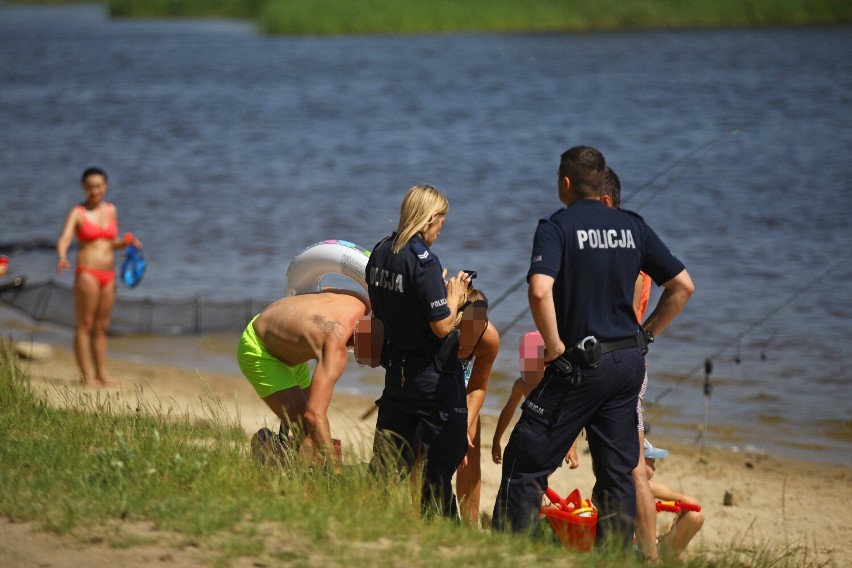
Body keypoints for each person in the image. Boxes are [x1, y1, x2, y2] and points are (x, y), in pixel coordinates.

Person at [492, 146, 694, 550]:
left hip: (580, 363)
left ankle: (510, 549)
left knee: (524, 457)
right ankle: (613, 557)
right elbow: (682, 286)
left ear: (565, 183)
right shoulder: (633, 226)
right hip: (627, 365)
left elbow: (539, 290)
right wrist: (646, 335)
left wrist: (553, 347)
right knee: (617, 472)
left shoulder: (557, 226)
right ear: (602, 184)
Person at [366, 183, 471, 518]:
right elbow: (442, 327)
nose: (441, 229)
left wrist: (430, 292)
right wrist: (453, 298)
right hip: (431, 378)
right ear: (429, 219)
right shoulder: (424, 262)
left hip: (397, 373)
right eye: (441, 221)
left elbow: (387, 306)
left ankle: (365, 516)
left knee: (387, 461)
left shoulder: (381, 250)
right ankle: (438, 526)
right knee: (444, 460)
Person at [237, 288, 370, 465]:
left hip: (288, 347)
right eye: (359, 355)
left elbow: (318, 289)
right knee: (305, 427)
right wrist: (335, 473)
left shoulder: (362, 302)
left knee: (310, 431)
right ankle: (266, 448)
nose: (351, 351)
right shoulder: (335, 346)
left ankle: (284, 454)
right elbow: (314, 415)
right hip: (260, 349)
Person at [602, 165, 658, 560]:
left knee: (634, 467)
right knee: (622, 467)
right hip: (620, 357)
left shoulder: (626, 251)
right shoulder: (625, 245)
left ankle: (650, 554)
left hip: (620, 361)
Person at [56, 167, 140, 387]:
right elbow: (65, 238)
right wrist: (63, 256)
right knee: (85, 324)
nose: (95, 190)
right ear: (85, 188)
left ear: (106, 186)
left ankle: (102, 374)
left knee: (102, 326)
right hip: (87, 271)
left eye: (99, 186)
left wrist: (126, 242)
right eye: (91, 186)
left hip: (108, 273)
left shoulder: (111, 210)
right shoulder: (78, 212)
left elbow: (110, 241)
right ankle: (86, 377)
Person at [491, 331, 579, 470]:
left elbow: (569, 417)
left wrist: (572, 447)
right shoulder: (522, 384)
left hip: (552, 441)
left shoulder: (557, 386)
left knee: (538, 480)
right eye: (525, 359)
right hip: (528, 438)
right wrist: (496, 440)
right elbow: (508, 411)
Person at [454, 287, 501, 526]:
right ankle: (421, 510)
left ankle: (470, 523)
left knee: (470, 444)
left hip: (462, 378)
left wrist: (464, 425)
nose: (467, 344)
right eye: (463, 334)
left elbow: (478, 388)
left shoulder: (489, 338)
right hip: (430, 375)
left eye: (475, 335)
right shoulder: (441, 327)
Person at [643, 439, 705, 561]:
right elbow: (692, 502)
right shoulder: (648, 487)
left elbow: (692, 503)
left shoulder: (647, 486)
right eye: (650, 461)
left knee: (695, 515)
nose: (654, 462)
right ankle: (665, 557)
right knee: (696, 516)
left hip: (645, 546)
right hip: (639, 549)